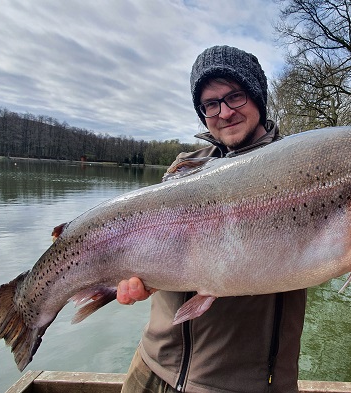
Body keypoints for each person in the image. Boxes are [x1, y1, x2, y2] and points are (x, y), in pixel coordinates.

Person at [117, 45, 307, 393]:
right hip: (151, 366)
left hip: (236, 386)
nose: (224, 112)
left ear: (257, 98)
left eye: (235, 96)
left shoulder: (300, 166)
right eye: (211, 104)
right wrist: (139, 277)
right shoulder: (183, 168)